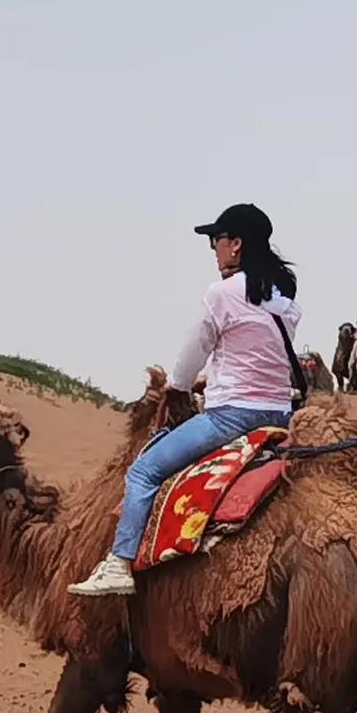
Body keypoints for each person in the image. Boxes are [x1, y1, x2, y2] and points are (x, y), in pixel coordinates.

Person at [69, 203, 302, 600]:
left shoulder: (222, 294)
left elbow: (189, 357)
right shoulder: (285, 303)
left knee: (143, 471)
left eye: (217, 240)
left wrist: (178, 386)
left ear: (236, 245)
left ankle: (119, 563)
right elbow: (256, 359)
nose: (214, 249)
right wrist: (207, 380)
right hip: (280, 414)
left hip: (232, 417)